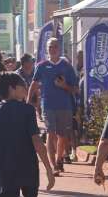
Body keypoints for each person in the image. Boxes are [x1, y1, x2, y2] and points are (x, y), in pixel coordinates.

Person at [0, 72, 54, 197]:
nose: (26, 87)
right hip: (28, 169)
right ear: (11, 88)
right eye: (22, 85)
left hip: (4, 171)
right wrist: (48, 169)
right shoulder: (28, 110)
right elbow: (37, 141)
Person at [27, 37, 77, 176]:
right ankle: (54, 165)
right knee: (50, 133)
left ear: (59, 48)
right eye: (50, 47)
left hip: (65, 106)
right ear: (46, 49)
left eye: (54, 46)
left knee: (63, 136)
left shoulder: (66, 66)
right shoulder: (41, 66)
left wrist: (63, 86)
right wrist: (27, 100)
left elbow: (75, 89)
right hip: (48, 105)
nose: (52, 49)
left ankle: (59, 158)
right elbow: (34, 84)